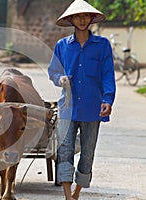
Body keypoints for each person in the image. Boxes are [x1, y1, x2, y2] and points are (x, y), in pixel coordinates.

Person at [48, 0, 116, 199]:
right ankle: (68, 196)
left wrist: (108, 100)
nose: (82, 19)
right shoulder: (62, 46)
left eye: (85, 15)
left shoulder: (102, 45)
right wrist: (59, 79)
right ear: (71, 20)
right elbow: (53, 71)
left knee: (87, 153)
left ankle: (77, 192)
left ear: (92, 19)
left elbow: (108, 75)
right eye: (78, 16)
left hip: (92, 107)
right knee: (65, 150)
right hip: (67, 108)